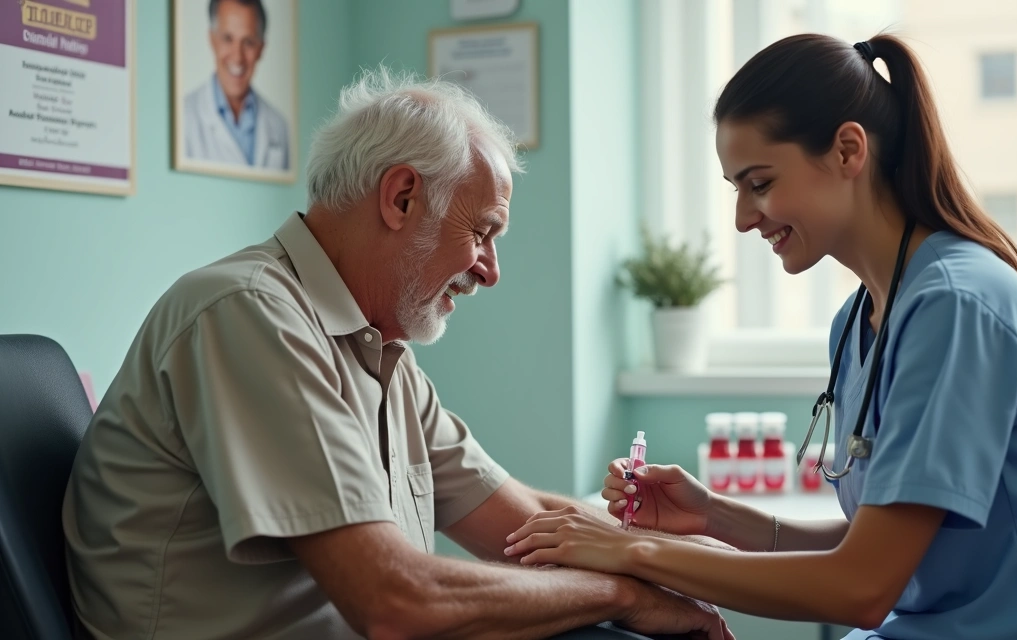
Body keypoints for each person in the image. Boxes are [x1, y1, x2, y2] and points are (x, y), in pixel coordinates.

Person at [504, 33, 1017, 639]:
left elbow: (862, 586)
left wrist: (633, 551)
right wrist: (711, 516)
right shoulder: (862, 319)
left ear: (849, 150)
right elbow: (871, 545)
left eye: (759, 183)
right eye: (736, 189)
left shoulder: (956, 309)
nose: (740, 219)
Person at [63, 68, 732, 640]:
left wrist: (672, 559)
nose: (490, 270)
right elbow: (395, 603)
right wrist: (628, 596)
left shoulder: (380, 353)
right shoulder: (248, 313)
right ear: (402, 196)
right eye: (483, 231)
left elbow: (525, 525)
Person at [182, 0, 290, 169]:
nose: (237, 57)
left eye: (248, 42)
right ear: (212, 40)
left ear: (261, 49)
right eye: (227, 39)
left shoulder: (279, 126)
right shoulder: (185, 116)